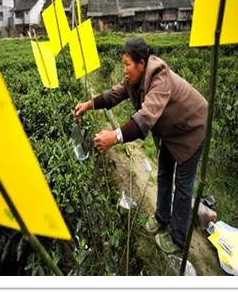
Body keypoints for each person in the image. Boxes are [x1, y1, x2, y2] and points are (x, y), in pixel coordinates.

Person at [74, 36, 207, 256]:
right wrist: (88, 105)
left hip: (192, 129)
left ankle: (177, 238)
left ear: (141, 64)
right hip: (172, 131)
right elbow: (113, 95)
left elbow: (144, 118)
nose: (124, 70)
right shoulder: (133, 80)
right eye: (123, 64)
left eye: (127, 64)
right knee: (164, 172)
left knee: (183, 185)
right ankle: (162, 217)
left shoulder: (159, 78)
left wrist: (114, 137)